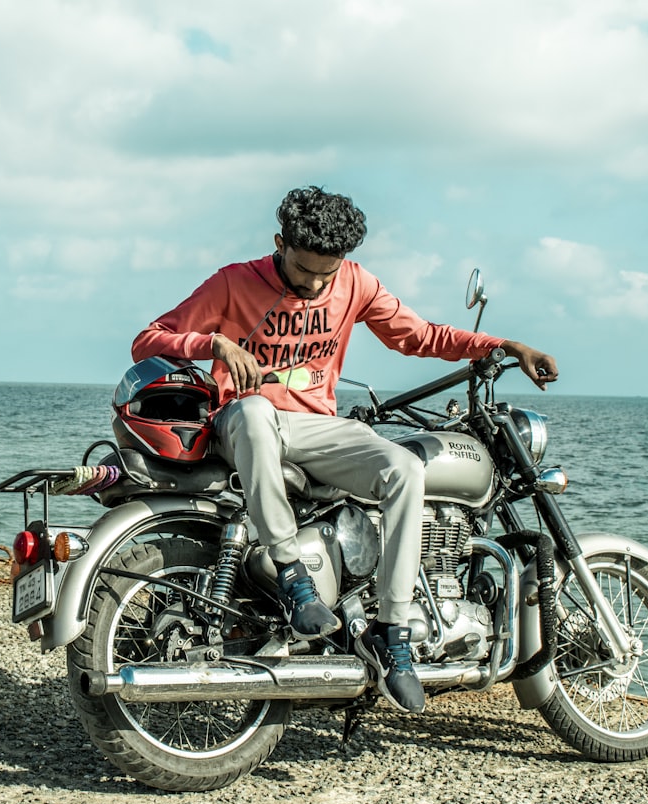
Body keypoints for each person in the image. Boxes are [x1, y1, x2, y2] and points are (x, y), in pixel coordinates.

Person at [131, 185, 558, 713]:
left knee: (405, 468)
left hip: (317, 427)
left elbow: (419, 336)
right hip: (245, 419)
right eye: (302, 270)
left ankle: (392, 631)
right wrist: (213, 343)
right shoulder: (233, 282)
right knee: (257, 413)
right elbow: (148, 339)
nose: (312, 285)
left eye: (325, 274)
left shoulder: (355, 283)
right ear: (278, 243)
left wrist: (504, 345)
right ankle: (292, 577)